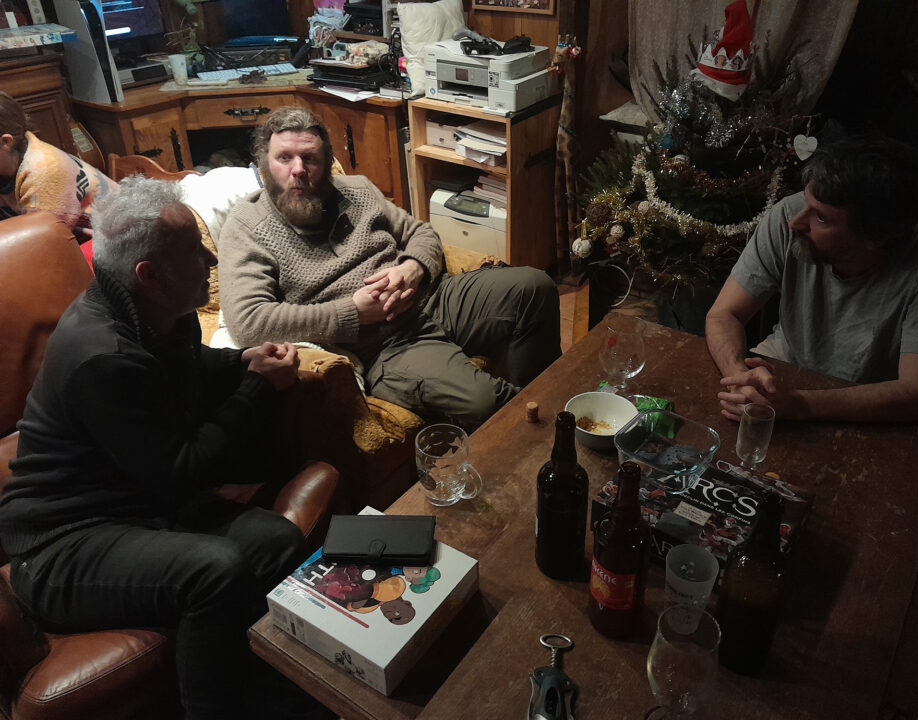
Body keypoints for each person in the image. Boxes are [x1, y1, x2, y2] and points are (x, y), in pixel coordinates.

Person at [0, 176, 324, 719]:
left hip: (134, 508)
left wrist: (243, 362)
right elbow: (182, 472)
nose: (211, 260)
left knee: (277, 539)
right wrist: (257, 389)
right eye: (195, 252)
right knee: (213, 569)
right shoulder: (102, 355)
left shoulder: (158, 313)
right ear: (148, 275)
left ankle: (282, 690)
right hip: (58, 546)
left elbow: (188, 368)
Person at [218, 106, 561, 430]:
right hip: (384, 344)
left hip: (433, 298)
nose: (298, 170)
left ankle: (546, 402)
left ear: (326, 162)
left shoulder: (358, 190)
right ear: (264, 164)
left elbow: (421, 233)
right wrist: (351, 313)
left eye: (310, 158)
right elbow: (248, 322)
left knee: (534, 286)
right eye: (284, 158)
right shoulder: (249, 225)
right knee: (484, 401)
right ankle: (532, 433)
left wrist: (413, 267)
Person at [705, 136, 918, 423]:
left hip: (872, 404)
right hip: (780, 368)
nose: (796, 222)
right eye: (806, 202)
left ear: (875, 238)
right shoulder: (789, 215)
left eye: (822, 218)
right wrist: (737, 376)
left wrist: (799, 405)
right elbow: (723, 314)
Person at [0, 91, 115, 235]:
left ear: (6, 142)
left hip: (111, 239)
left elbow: (43, 240)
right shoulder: (8, 164)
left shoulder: (44, 173)